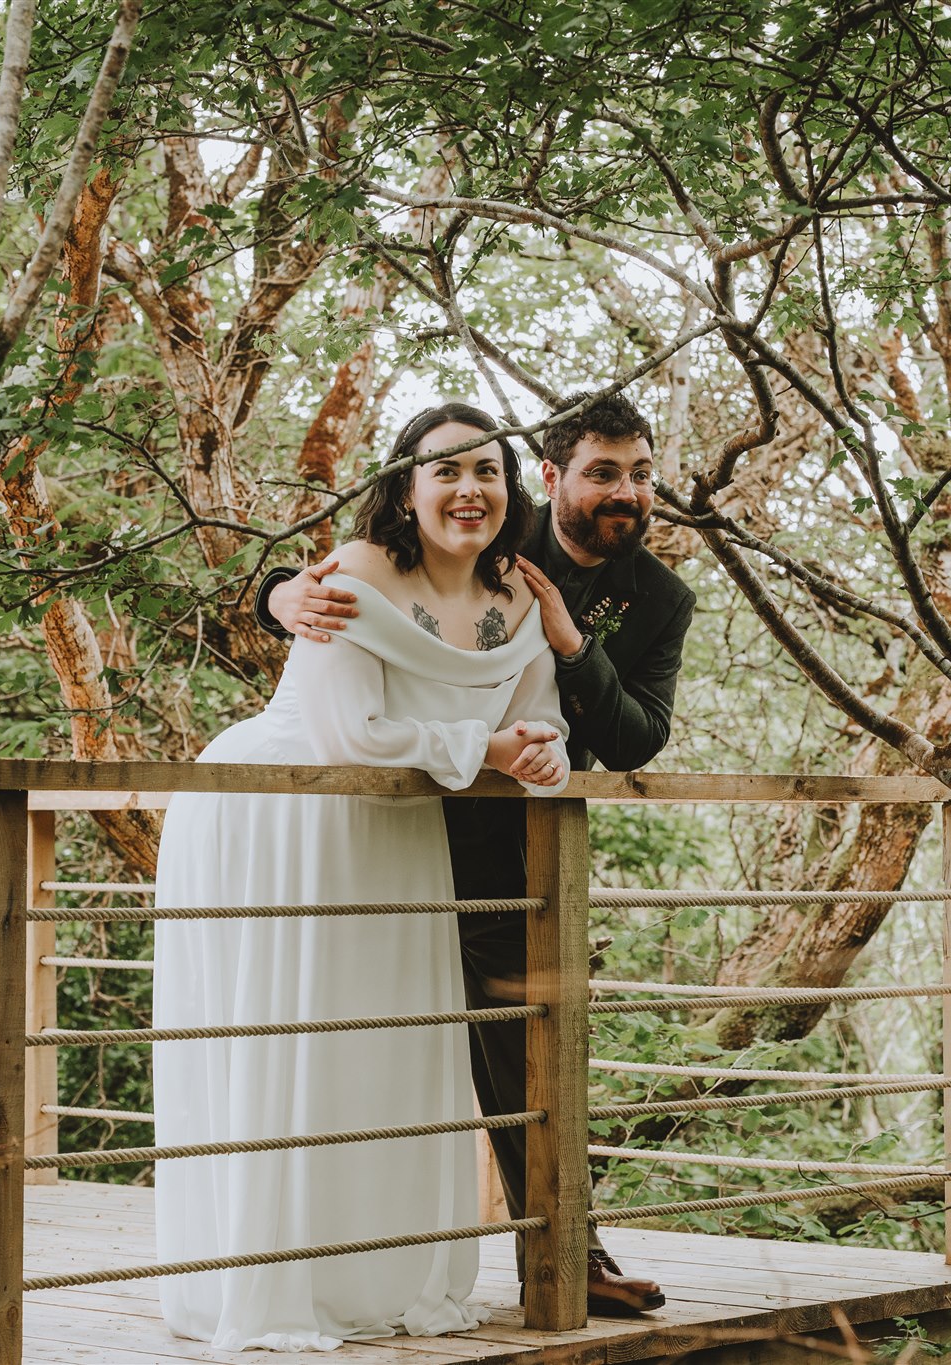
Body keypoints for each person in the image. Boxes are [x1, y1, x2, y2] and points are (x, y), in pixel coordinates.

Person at [252, 389, 694, 1316]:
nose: (626, 492)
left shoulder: (659, 598)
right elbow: (371, 574)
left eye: (641, 475)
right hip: (384, 825)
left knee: (526, 1046)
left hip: (508, 844)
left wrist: (576, 647)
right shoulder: (490, 522)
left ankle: (572, 1253)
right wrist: (276, 592)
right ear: (553, 477)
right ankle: (328, 1252)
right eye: (604, 472)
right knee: (369, 1035)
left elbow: (633, 739)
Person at [153, 403, 571, 1351]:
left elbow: (536, 709)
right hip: (290, 809)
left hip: (403, 825)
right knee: (293, 1036)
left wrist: (535, 750)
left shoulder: (517, 594)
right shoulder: (349, 574)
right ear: (405, 486)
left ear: (510, 489)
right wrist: (491, 746)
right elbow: (351, 735)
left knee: (387, 1046)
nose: (470, 490)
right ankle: (272, 1279)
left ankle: (378, 1271)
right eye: (446, 471)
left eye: (488, 472)